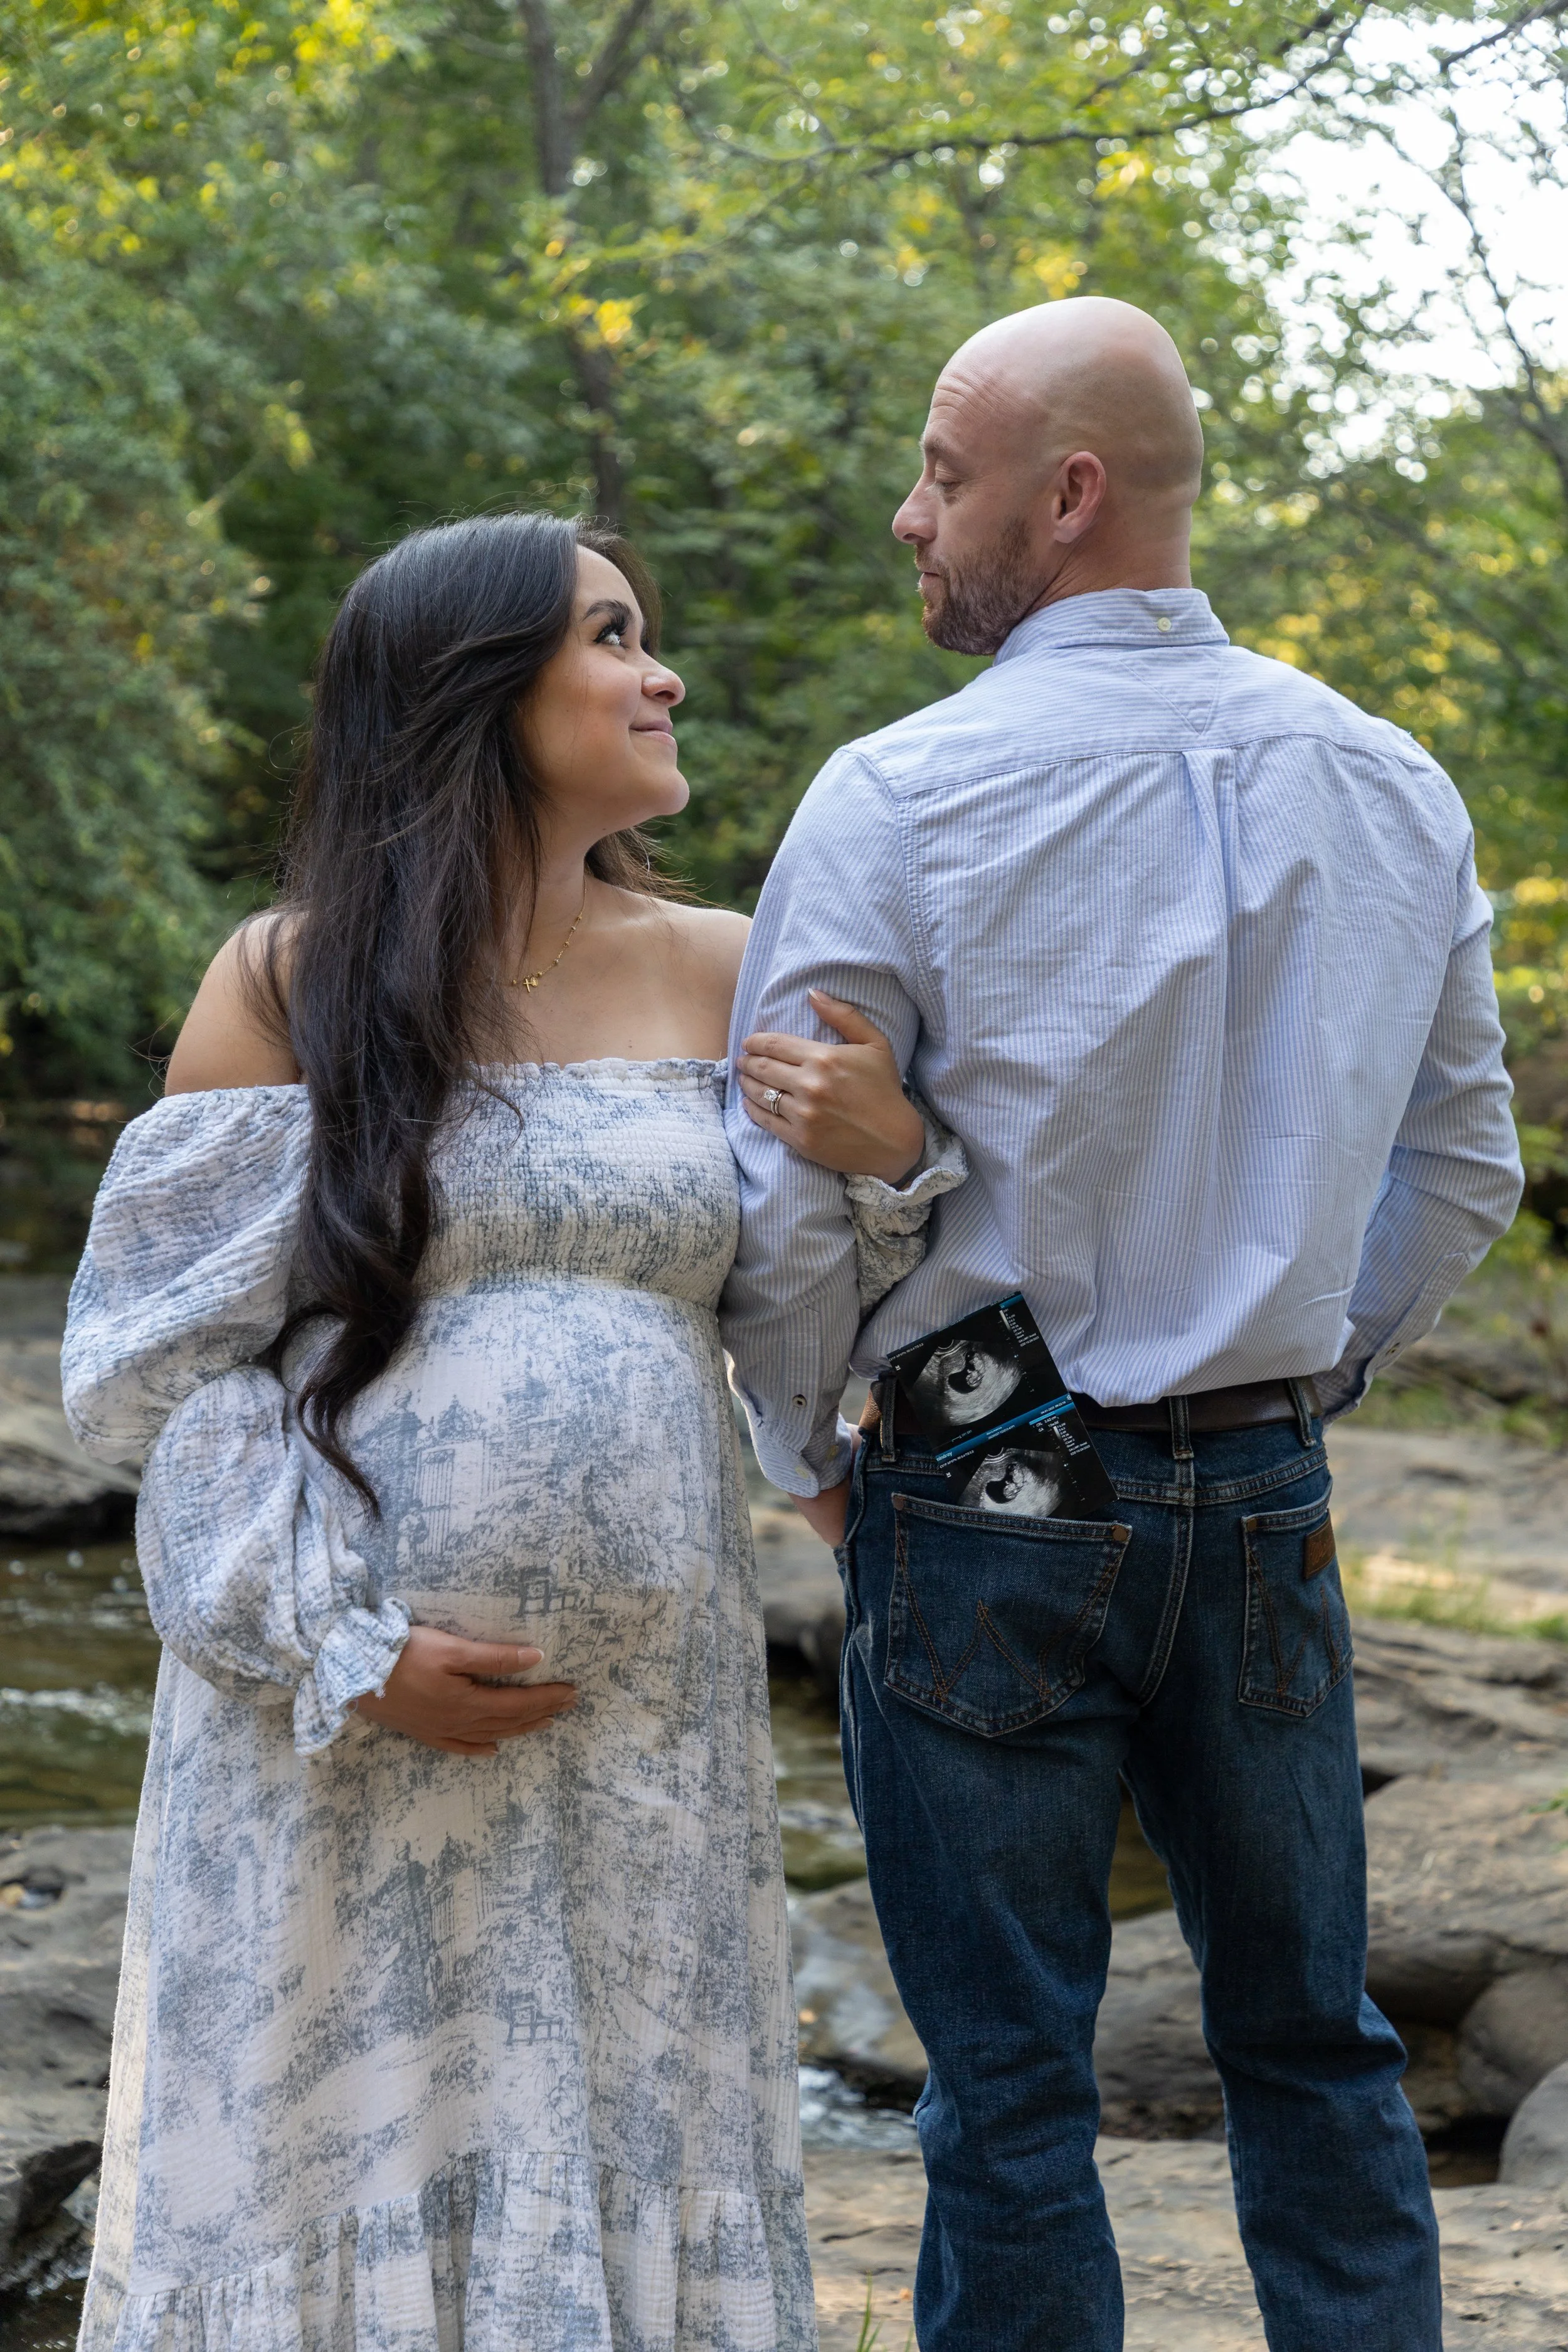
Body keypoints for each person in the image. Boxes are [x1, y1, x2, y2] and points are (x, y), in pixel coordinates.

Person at [61, 512, 963, 2352]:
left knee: (634, 2122)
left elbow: (819, 1328)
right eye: (614, 636)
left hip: (637, 1725)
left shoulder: (732, 962)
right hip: (335, 1727)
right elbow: (162, 1376)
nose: (664, 671)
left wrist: (892, 1169)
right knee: (350, 2150)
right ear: (477, 690)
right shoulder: (284, 977)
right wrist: (342, 1640)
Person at [720, 297, 1523, 2352]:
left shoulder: (898, 796)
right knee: (1316, 2038)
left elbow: (792, 1200)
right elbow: (1461, 1171)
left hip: (977, 1499)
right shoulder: (1392, 781)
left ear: (1062, 496)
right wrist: (1288, 1377)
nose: (910, 516)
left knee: (1008, 2090)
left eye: (938, 469)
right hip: (1261, 1490)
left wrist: (806, 1453)